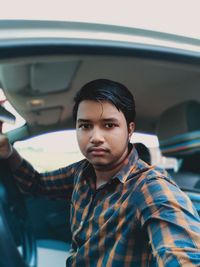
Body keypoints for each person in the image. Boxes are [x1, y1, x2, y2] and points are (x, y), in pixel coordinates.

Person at [1, 79, 200, 267]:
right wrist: (8, 152)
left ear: (129, 130)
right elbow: (37, 184)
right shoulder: (81, 171)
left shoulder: (151, 187)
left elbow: (182, 256)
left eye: (109, 125)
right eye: (85, 126)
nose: (96, 137)